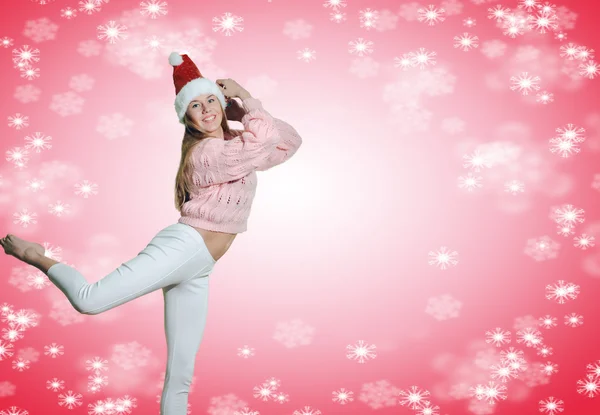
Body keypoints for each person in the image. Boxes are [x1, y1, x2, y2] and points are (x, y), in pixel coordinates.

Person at [0, 50, 302, 415]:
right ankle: (34, 255)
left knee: (181, 373)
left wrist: (238, 112)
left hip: (200, 265)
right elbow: (262, 142)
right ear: (185, 118)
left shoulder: (236, 142)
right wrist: (247, 97)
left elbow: (288, 142)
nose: (206, 109)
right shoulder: (206, 153)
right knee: (89, 300)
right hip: (182, 247)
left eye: (211, 100)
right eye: (195, 105)